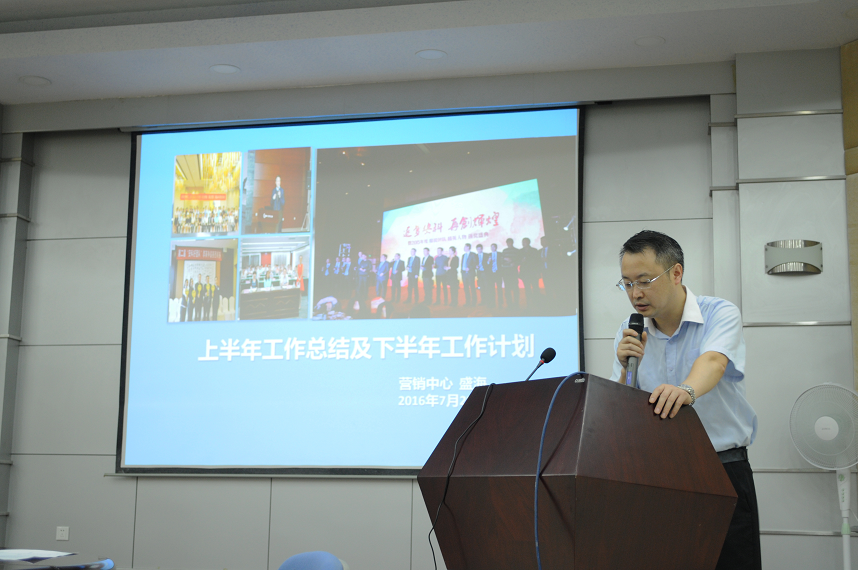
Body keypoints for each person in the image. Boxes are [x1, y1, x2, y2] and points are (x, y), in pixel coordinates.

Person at [611, 230, 760, 570]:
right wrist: (623, 371)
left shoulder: (719, 313)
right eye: (627, 284)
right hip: (657, 474)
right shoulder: (629, 330)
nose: (635, 293)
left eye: (644, 281)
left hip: (722, 469)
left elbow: (714, 362)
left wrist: (686, 391)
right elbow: (622, 403)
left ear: (676, 273)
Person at [519, 237, 541, 307]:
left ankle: (537, 303)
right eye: (522, 242)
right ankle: (529, 303)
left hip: (533, 272)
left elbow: (538, 262)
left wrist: (538, 272)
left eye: (524, 242)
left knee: (535, 287)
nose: (523, 243)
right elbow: (517, 261)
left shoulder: (534, 250)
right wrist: (521, 261)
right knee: (527, 288)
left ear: (528, 242)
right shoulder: (520, 251)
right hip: (525, 273)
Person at [501, 238, 520, 307]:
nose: (509, 244)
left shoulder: (516, 251)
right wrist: (505, 259)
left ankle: (516, 304)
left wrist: (512, 261)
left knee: (515, 288)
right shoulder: (504, 251)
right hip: (506, 271)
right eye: (508, 243)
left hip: (513, 271)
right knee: (507, 288)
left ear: (512, 243)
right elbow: (501, 259)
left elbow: (519, 260)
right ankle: (509, 304)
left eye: (510, 242)